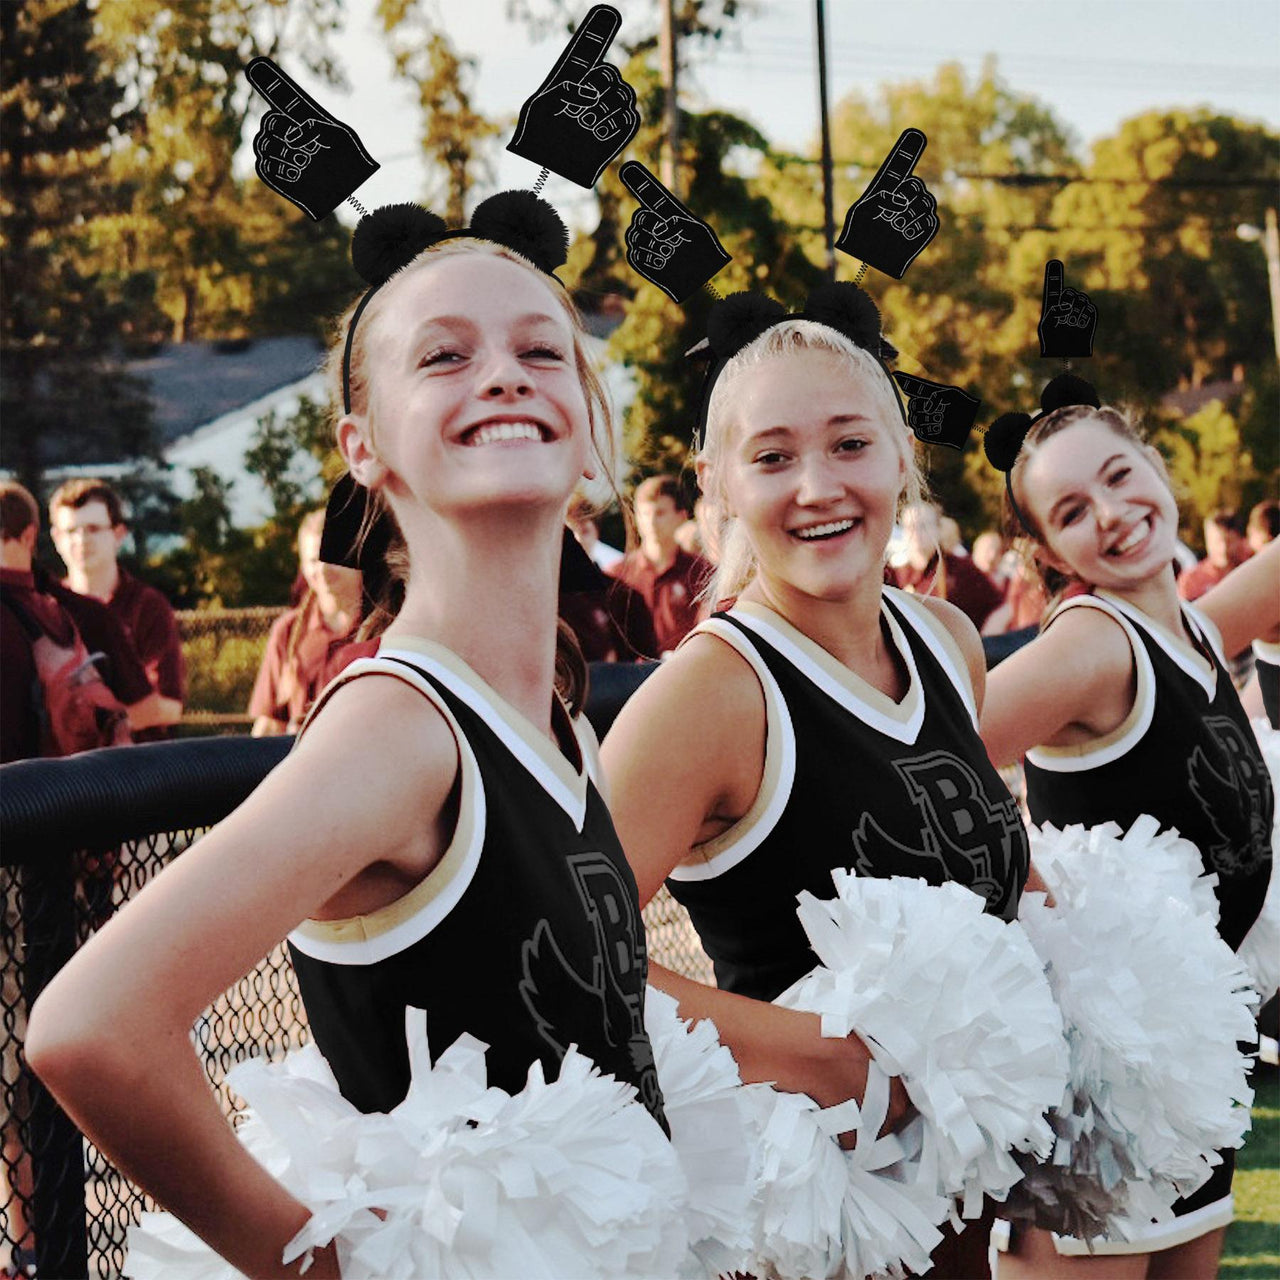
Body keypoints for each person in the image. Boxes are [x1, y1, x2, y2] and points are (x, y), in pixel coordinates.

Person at [25, 201, 671, 1278]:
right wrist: (314, 1268)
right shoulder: (398, 728)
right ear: (363, 448)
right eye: (444, 355)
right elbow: (89, 1024)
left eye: (540, 349)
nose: (504, 375)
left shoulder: (554, 711)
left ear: (589, 417)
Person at [600, 288, 1034, 1278]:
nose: (816, 485)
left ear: (898, 457)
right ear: (717, 483)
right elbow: (561, 952)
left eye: (848, 444)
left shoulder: (945, 640)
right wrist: (825, 1055)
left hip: (958, 1216)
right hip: (809, 1231)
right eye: (771, 457)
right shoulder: (711, 691)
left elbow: (985, 866)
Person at [979, 386, 1277, 1279]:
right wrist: (1026, 872)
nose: (1111, 515)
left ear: (1156, 465)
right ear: (1044, 549)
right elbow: (918, 762)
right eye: (1072, 511)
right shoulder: (1093, 646)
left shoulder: (1191, 625)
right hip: (1100, 1089)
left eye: (1120, 475)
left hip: (1189, 1065)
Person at [49, 478, 186, 739]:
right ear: (56, 538)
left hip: (137, 769)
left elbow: (169, 707)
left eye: (93, 528)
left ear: (118, 534)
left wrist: (91, 723)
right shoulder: (48, 608)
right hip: (66, 773)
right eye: (71, 531)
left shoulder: (147, 606)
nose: (81, 540)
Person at [248, 510, 363, 736]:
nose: (323, 570)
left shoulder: (387, 630)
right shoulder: (288, 632)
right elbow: (270, 725)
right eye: (313, 560)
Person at [609, 474, 713, 654]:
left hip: (685, 670)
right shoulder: (617, 575)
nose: (650, 522)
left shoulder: (702, 572)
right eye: (645, 514)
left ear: (681, 516)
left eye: (660, 513)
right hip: (630, 675)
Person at [891, 500, 1004, 630]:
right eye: (910, 526)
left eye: (923, 526)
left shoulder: (961, 570)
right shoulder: (896, 575)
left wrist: (985, 642)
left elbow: (1001, 608)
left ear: (938, 530)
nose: (915, 533)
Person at [1177, 508, 1251, 602]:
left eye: (1230, 541)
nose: (1223, 548)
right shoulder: (1191, 581)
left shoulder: (1250, 573)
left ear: (1240, 540)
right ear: (1208, 541)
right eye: (1218, 541)